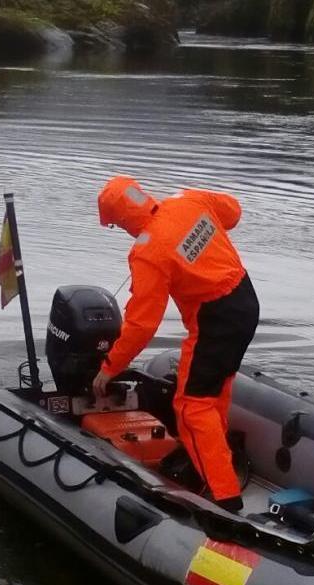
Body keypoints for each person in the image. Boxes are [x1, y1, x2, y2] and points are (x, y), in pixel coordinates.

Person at [93, 176, 260, 512]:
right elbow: (233, 212)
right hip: (246, 301)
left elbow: (142, 323)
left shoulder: (148, 252)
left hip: (214, 320)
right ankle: (216, 461)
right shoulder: (189, 199)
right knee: (215, 393)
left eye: (115, 225)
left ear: (122, 219)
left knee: (191, 406)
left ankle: (224, 499)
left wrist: (109, 368)